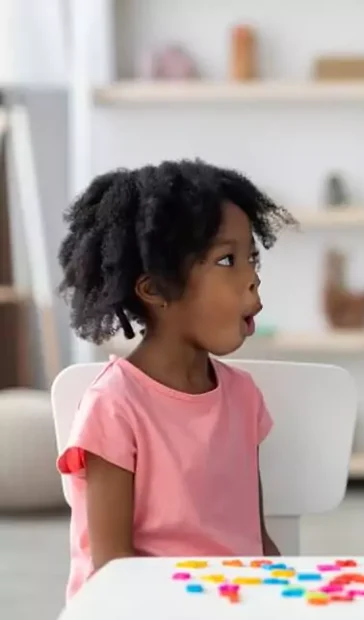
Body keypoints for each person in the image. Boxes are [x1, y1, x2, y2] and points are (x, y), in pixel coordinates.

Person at [54, 160, 295, 599]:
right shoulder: (114, 406)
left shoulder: (243, 398)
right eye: (227, 260)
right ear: (156, 289)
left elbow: (255, 543)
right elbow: (113, 573)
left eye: (251, 259)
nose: (253, 279)